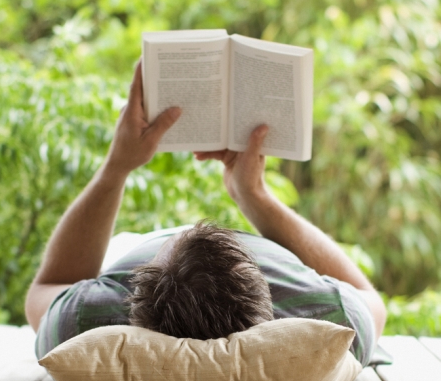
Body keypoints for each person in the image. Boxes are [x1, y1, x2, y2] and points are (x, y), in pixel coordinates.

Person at [26, 62, 387, 364]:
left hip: (130, 250)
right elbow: (370, 299)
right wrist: (253, 194)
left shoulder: (86, 321)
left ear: (133, 300)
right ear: (272, 300)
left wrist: (116, 167)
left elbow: (46, 287)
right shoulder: (333, 325)